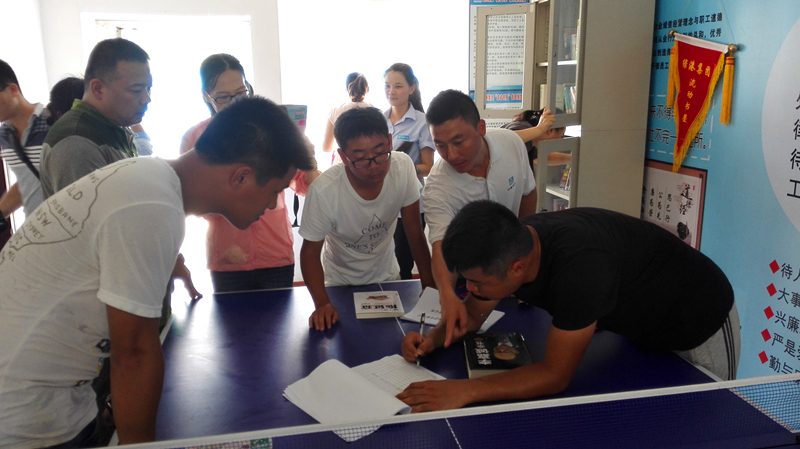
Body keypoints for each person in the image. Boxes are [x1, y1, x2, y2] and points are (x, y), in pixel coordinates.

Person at [0, 96, 315, 448]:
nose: (272, 205)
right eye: (275, 191)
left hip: (53, 400)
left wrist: (169, 264)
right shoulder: (152, 204)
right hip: (24, 417)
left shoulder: (148, 179)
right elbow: (133, 353)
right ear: (241, 176)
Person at [398, 200, 740, 412]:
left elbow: (555, 375)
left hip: (697, 317)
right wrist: (433, 339)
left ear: (516, 269)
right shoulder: (511, 244)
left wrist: (464, 390)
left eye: (476, 283)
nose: (470, 290)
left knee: (706, 415)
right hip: (641, 316)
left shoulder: (580, 268)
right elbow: (474, 312)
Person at [180, 53, 320, 292]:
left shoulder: (271, 130)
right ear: (206, 97)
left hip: (276, 253)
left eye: (241, 93)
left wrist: (308, 161)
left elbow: (304, 186)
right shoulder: (196, 138)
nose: (235, 103)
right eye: (223, 97)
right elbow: (192, 200)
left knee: (281, 317)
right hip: (227, 257)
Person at [422, 89, 547, 348]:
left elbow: (528, 192)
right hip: (468, 280)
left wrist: (522, 258)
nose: (451, 155)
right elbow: (440, 245)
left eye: (458, 142)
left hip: (511, 270)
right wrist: (447, 295)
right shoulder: (438, 186)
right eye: (440, 145)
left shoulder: (510, 143)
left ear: (480, 128)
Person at [300, 107, 434, 331]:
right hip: (339, 284)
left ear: (390, 142)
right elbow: (310, 253)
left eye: (381, 154)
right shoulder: (324, 192)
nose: (374, 166)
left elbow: (414, 231)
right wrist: (322, 303)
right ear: (344, 157)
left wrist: (430, 285)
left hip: (388, 280)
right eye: (361, 159)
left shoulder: (403, 168)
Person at [39, 38, 151, 199]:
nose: (146, 99)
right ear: (98, 89)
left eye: (148, 89)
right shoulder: (75, 141)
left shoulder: (116, 126)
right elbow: (91, 213)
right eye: (136, 90)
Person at [384, 63, 435, 280]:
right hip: (382, 204)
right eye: (387, 86)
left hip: (410, 205)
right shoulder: (379, 120)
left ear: (411, 89)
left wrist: (400, 171)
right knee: (381, 263)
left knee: (403, 265)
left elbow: (428, 166)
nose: (391, 91)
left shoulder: (422, 122)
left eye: (398, 86)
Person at [0, 59, 51, 232]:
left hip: (72, 228)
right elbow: (27, 182)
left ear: (13, 90)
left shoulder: (52, 122)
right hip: (37, 231)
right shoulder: (4, 136)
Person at [322, 72, 372, 165]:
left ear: (346, 89)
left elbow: (326, 147)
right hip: (368, 163)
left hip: (342, 164)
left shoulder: (335, 111)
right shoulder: (377, 113)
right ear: (367, 89)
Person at [500, 108, 569, 168]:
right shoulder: (523, 127)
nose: (560, 139)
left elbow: (546, 158)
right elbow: (504, 140)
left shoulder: (531, 142)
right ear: (550, 131)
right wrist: (540, 129)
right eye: (561, 135)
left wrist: (573, 158)